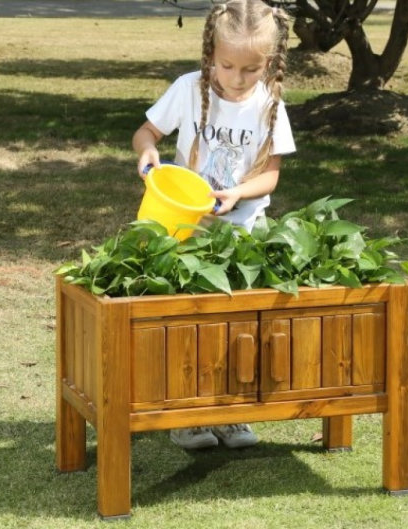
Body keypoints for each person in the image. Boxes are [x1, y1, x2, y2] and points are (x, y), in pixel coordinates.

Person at [132, 0, 295, 450]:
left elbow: (270, 175)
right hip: (187, 231)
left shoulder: (269, 105)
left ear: (270, 64)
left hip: (242, 235)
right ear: (210, 56)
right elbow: (146, 134)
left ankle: (231, 413)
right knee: (188, 324)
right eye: (227, 66)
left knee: (237, 327)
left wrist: (239, 193)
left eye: (250, 69)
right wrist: (147, 153)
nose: (237, 78)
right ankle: (186, 415)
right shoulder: (188, 89)